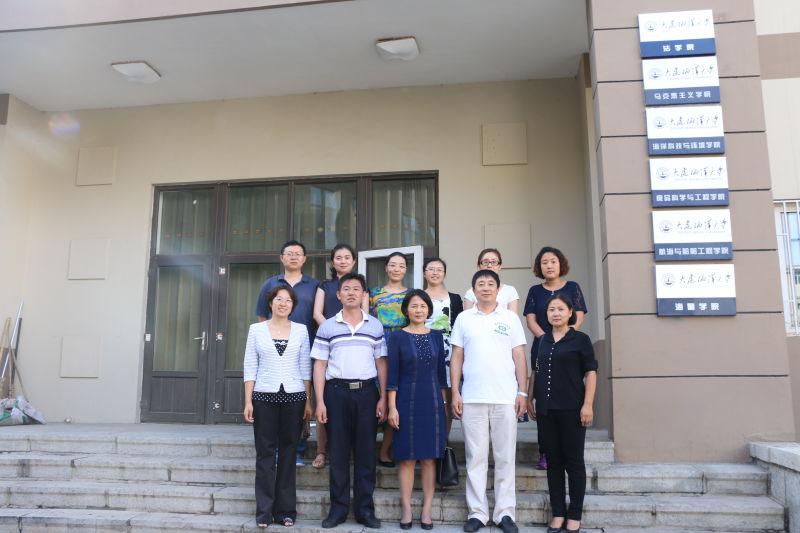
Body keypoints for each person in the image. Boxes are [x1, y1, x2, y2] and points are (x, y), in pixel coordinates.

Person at [450, 270, 528, 533]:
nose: (485, 287)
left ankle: (505, 513)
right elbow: (457, 356)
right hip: (472, 397)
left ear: (498, 289)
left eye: (490, 284)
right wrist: (455, 392)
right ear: (473, 291)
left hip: (505, 398)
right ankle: (478, 513)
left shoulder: (510, 318)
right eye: (480, 284)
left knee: (505, 457)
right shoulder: (463, 318)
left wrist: (523, 392)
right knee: (475, 458)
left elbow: (519, 356)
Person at [312, 273, 387, 530]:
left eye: (357, 289)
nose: (351, 293)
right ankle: (338, 510)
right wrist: (320, 401)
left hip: (367, 393)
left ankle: (365, 510)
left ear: (364, 295)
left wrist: (383, 398)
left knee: (366, 454)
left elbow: (381, 363)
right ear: (338, 295)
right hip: (336, 393)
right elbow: (320, 365)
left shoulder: (374, 326)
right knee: (338, 453)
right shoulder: (327, 327)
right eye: (347, 289)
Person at [243, 286, 313, 528]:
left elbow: (305, 368)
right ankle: (264, 511)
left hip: (294, 397)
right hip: (264, 396)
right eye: (278, 299)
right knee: (264, 454)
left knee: (288, 453)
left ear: (293, 306)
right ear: (270, 303)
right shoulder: (256, 330)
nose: (283, 303)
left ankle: (285, 511)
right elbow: (250, 366)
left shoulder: (301, 330)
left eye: (288, 300)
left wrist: (308, 400)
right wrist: (248, 401)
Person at [527, 294, 597, 533]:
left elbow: (591, 373)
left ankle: (574, 514)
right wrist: (530, 398)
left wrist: (588, 404)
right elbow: (535, 372)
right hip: (546, 411)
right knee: (554, 463)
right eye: (551, 310)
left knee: (574, 463)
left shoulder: (580, 339)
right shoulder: (542, 341)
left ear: (570, 313)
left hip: (572, 409)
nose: (555, 313)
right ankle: (558, 512)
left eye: (560, 309)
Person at [387, 290, 448, 531]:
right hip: (405, 402)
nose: (419, 310)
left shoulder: (436, 336)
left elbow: (441, 377)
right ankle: (406, 510)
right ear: (406, 309)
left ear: (429, 310)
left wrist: (445, 407)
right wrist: (392, 407)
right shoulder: (397, 337)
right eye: (414, 306)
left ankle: (426, 510)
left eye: (423, 306)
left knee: (430, 458)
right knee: (407, 459)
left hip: (432, 402)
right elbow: (392, 375)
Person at [256, 239, 320, 466]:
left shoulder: (314, 286)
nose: (293, 257)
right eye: (289, 253)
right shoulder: (270, 284)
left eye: (298, 253)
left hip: (304, 349)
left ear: (304, 259)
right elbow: (262, 316)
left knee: (300, 401)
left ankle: (297, 450)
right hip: (274, 352)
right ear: (282, 258)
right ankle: (273, 450)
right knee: (274, 401)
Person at [523, 246, 587, 471]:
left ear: (561, 264)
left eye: (553, 261)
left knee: (566, 394)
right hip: (542, 346)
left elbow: (579, 316)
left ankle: (569, 451)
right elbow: (531, 320)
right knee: (544, 399)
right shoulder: (535, 291)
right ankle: (545, 452)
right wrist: (547, 339)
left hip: (569, 349)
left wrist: (565, 338)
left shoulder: (572, 287)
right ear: (539, 267)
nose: (549, 266)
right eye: (544, 262)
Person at [311, 244, 368, 470]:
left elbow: (365, 313)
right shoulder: (325, 285)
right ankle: (321, 450)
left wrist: (349, 330)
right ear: (332, 261)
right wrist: (334, 330)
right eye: (338, 257)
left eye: (347, 257)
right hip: (330, 342)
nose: (342, 261)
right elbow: (317, 313)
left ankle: (349, 450)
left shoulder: (361, 285)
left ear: (354, 261)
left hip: (355, 342)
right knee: (325, 399)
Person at [369, 251, 410, 467]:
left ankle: (386, 450)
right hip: (377, 347)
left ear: (406, 270)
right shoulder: (373, 293)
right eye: (392, 265)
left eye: (401, 265)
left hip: (402, 346)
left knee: (397, 398)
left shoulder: (412, 294)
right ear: (386, 268)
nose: (396, 269)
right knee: (376, 396)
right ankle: (368, 449)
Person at [422, 257, 463, 435]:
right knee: (425, 393)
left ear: (444, 273)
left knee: (446, 395)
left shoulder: (454, 298)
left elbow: (459, 326)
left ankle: (443, 441)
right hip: (423, 346)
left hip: (448, 350)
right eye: (431, 269)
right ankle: (427, 438)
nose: (435, 272)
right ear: (424, 273)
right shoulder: (418, 295)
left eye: (439, 269)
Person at [462, 249, 519, 313]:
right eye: (485, 262)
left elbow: (513, 317)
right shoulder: (470, 293)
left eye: (494, 262)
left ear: (500, 266)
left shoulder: (510, 291)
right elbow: (467, 317)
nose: (489, 266)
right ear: (479, 266)